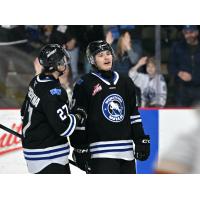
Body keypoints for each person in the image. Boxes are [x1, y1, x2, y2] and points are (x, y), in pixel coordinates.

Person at [70, 40, 150, 174]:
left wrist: (140, 139)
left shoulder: (126, 81)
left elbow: (133, 115)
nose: (106, 57)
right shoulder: (84, 83)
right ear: (92, 60)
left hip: (126, 153)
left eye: (108, 53)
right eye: (100, 55)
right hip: (100, 154)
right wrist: (80, 148)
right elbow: (79, 120)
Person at [21, 44, 86, 174]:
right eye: (62, 60)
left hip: (34, 153)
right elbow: (65, 127)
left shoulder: (36, 80)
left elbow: (23, 113)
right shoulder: (54, 92)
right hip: (49, 157)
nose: (65, 62)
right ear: (54, 65)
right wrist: (79, 115)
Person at [169, 25, 200, 106]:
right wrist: (179, 73)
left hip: (198, 88)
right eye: (186, 33)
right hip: (182, 89)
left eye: (191, 32)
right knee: (181, 116)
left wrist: (193, 77)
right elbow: (171, 66)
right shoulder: (177, 47)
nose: (188, 35)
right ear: (183, 33)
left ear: (197, 32)